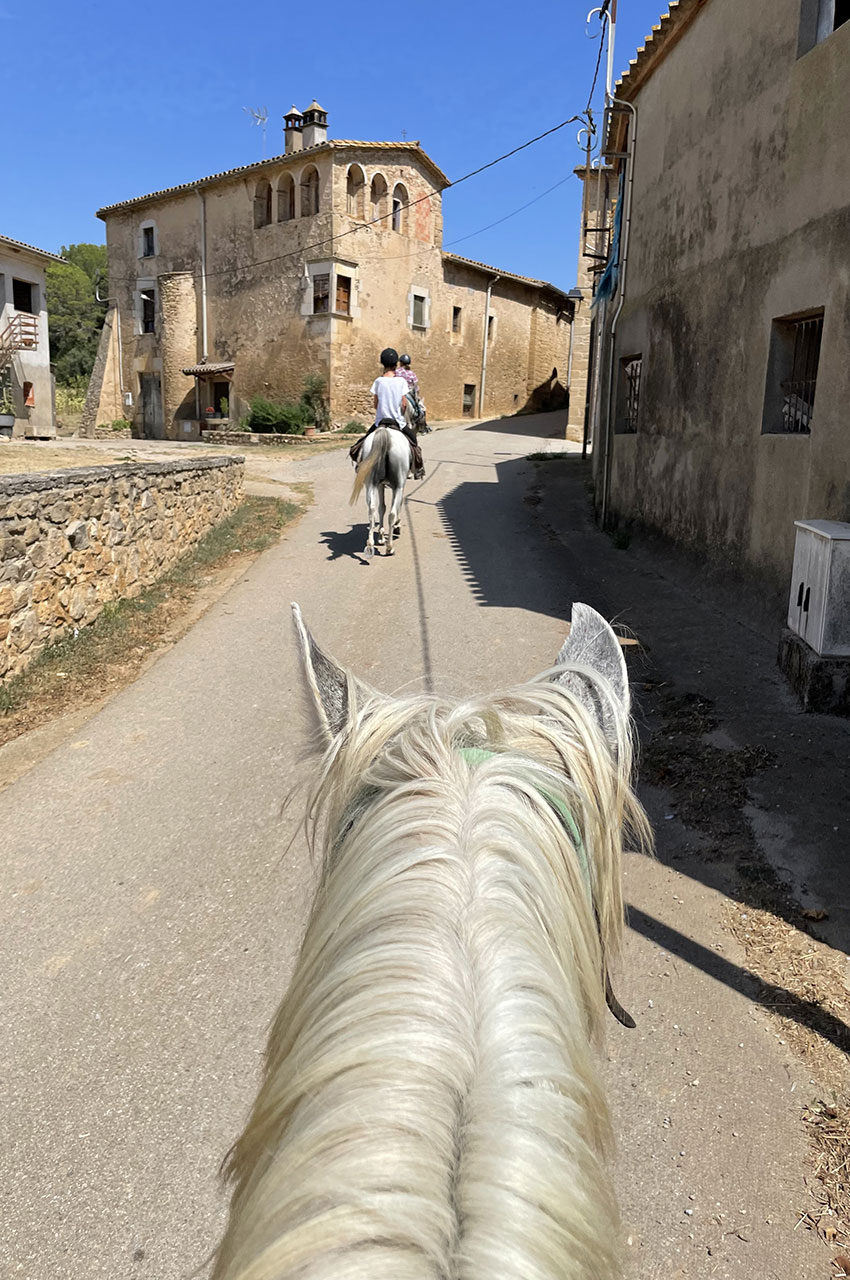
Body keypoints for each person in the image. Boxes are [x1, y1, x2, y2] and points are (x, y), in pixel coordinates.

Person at [349, 347, 425, 478]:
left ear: (382, 363)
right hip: (398, 423)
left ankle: (360, 464)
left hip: (380, 423)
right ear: (396, 364)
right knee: (414, 442)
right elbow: (404, 404)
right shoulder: (401, 381)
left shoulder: (378, 381)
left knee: (360, 445)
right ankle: (417, 468)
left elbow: (375, 404)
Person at [396, 353, 428, 431]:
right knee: (420, 408)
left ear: (400, 363)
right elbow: (416, 387)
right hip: (409, 393)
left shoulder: (396, 372)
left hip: (397, 392)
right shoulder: (412, 373)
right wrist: (417, 396)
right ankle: (423, 426)